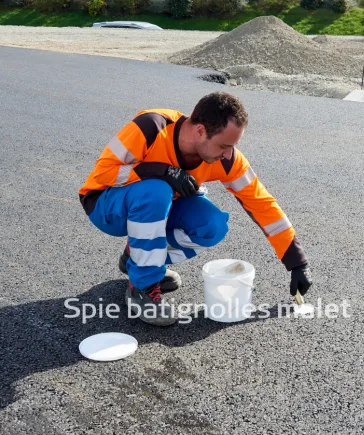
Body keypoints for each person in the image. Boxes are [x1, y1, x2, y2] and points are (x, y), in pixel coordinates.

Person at [78, 91, 312, 326]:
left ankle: (140, 259)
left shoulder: (226, 159)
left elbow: (261, 203)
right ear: (200, 131)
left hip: (157, 207)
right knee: (156, 191)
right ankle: (142, 287)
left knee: (212, 225)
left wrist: (296, 262)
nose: (228, 154)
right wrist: (160, 171)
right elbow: (103, 173)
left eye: (233, 146)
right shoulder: (151, 127)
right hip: (105, 204)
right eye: (224, 145)